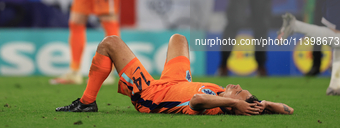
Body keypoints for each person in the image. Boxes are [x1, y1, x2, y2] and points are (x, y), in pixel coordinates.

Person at [55, 34, 294, 115]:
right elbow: (288, 110)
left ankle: (86, 103)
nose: (236, 85)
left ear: (234, 105)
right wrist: (264, 104)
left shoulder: (213, 104)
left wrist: (232, 101)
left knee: (110, 43)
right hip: (176, 82)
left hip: (152, 94)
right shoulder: (227, 98)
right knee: (178, 39)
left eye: (239, 92)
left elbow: (196, 100)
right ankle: (86, 103)